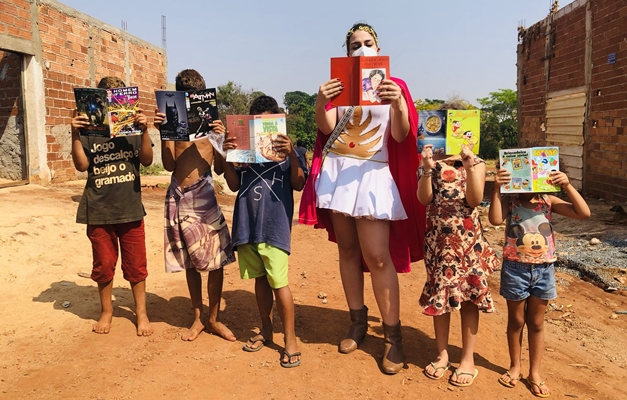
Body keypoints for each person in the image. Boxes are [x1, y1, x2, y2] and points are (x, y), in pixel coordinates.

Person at [298, 22, 425, 374]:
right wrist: (321, 101)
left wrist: (398, 103)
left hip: (373, 173)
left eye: (368, 43)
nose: (362, 49)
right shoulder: (337, 84)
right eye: (355, 44)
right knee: (348, 250)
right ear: (347, 49)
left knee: (378, 256)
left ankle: (392, 337)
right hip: (340, 173)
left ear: (379, 46)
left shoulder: (394, 85)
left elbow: (401, 135)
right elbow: (326, 130)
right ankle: (357, 321)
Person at [216, 96, 305, 368]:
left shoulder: (290, 152)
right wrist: (227, 154)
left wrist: (291, 152)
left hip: (275, 225)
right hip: (248, 223)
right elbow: (232, 185)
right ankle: (266, 330)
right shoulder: (244, 150)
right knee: (260, 280)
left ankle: (290, 339)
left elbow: (299, 183)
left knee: (279, 282)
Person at [489, 167, 590, 397]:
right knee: (515, 321)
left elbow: (584, 213)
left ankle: (534, 372)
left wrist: (566, 185)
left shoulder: (548, 200)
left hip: (544, 270)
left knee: (536, 323)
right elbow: (494, 219)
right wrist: (496, 188)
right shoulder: (510, 200)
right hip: (515, 268)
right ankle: (515, 366)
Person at [417, 109, 500, 386]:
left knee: (468, 296)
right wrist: (427, 168)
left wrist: (469, 163)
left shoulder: (476, 163)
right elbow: (424, 199)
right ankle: (442, 354)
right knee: (438, 295)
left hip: (467, 242)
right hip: (438, 241)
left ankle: (467, 359)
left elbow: (475, 200)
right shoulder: (431, 161)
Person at [154, 69, 237, 342]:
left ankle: (214, 318)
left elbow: (222, 169)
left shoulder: (212, 127)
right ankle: (198, 318)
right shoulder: (172, 127)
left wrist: (221, 141)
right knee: (189, 262)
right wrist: (165, 133)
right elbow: (168, 165)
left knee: (215, 261)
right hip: (178, 195)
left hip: (204, 194)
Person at [70, 76, 153, 336]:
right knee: (103, 265)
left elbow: (148, 161)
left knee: (136, 265)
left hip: (130, 207)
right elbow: (82, 166)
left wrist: (145, 130)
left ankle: (141, 313)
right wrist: (74, 133)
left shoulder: (133, 130)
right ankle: (107, 311)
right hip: (98, 209)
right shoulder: (89, 131)